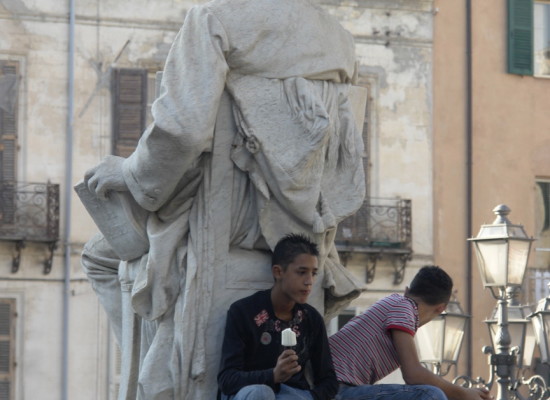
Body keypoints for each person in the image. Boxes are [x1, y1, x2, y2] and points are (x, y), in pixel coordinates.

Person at [80, 0, 366, 397]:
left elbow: (182, 132)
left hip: (215, 225)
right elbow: (344, 162)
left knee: (99, 256)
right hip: (300, 232)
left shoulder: (214, 21)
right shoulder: (339, 41)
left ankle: (149, 369)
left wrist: (129, 172)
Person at [329, 266, 493, 400]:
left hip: (338, 386)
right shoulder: (404, 307)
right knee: (430, 395)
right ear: (441, 308)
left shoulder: (395, 302)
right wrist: (463, 394)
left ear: (407, 290)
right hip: (335, 389)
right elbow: (413, 375)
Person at [217, 233, 338, 400]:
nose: (309, 281)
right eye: (301, 272)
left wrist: (310, 397)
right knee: (262, 393)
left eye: (314, 273)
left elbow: (328, 380)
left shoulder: (311, 318)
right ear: (278, 272)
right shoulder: (243, 312)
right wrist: (273, 375)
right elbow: (227, 380)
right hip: (248, 393)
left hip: (293, 395)